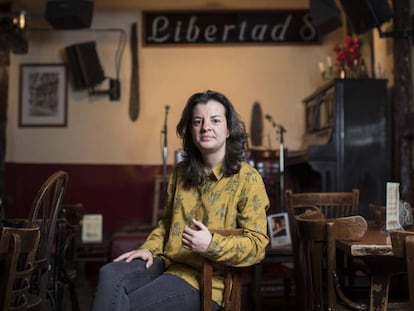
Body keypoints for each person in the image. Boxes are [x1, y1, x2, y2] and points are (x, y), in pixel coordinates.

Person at [92, 90, 269, 311]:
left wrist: (210, 245)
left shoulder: (248, 179)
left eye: (215, 120)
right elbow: (166, 223)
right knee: (109, 274)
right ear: (191, 130)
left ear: (228, 130)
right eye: (198, 121)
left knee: (130, 305)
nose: (205, 127)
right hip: (167, 263)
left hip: (206, 281)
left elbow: (257, 246)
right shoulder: (180, 172)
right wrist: (149, 248)